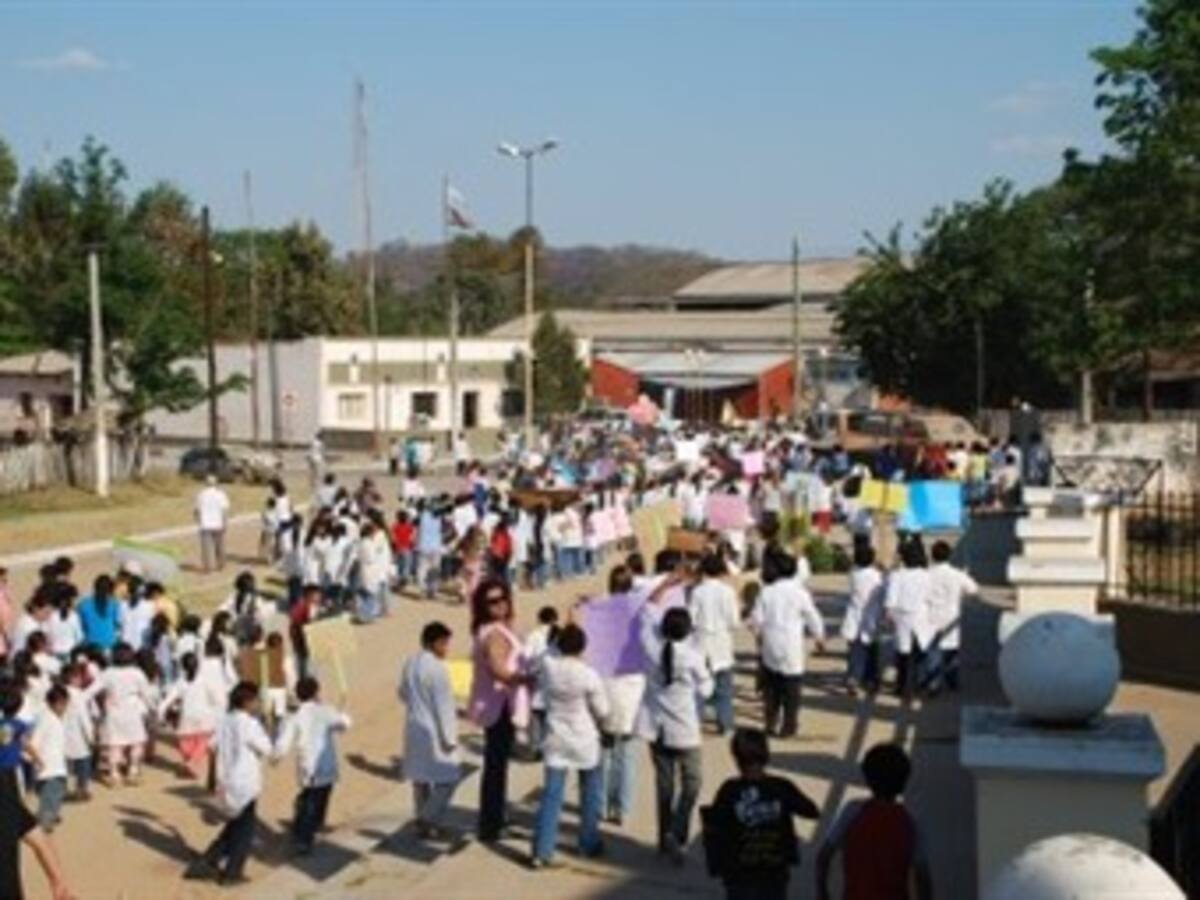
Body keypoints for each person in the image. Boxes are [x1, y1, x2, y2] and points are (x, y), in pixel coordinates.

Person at [637, 577, 713, 866]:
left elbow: (648, 606)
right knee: (692, 783)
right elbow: (707, 689)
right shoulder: (692, 658)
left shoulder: (650, 644)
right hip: (685, 730)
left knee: (664, 787)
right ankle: (678, 832)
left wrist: (666, 584)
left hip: (656, 728)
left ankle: (663, 838)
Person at [705, 728, 819, 900]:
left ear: (736, 758)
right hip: (774, 872)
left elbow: (714, 827)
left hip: (739, 874)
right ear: (766, 755)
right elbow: (812, 811)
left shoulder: (728, 790)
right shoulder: (782, 787)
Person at [529, 624, 609, 868]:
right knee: (589, 794)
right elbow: (603, 710)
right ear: (583, 647)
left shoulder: (550, 668)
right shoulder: (588, 674)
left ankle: (542, 851)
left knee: (551, 796)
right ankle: (587, 842)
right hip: (584, 739)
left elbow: (544, 654)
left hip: (556, 738)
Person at [815, 743, 932, 900]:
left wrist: (822, 892)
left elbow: (824, 856)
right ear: (904, 782)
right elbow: (922, 875)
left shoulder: (852, 811)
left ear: (868, 779)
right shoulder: (911, 821)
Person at [186, 681, 272, 886]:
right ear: (247, 702)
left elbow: (212, 745)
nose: (259, 703)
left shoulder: (225, 720)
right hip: (245, 783)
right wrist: (266, 728)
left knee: (235, 825)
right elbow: (267, 749)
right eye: (257, 700)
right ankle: (232, 872)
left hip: (227, 781)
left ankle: (208, 860)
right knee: (244, 830)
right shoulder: (250, 724)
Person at [467, 578, 529, 843]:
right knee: (496, 765)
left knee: (497, 764)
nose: (500, 604)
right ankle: (491, 823)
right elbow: (498, 670)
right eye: (493, 601)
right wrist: (526, 678)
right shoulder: (493, 634)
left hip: (497, 702)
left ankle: (494, 817)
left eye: (503, 598)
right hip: (499, 704)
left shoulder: (495, 629)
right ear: (483, 605)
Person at [749, 552, 825, 738]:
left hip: (771, 644)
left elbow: (755, 620)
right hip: (792, 645)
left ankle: (770, 722)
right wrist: (819, 636)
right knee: (792, 689)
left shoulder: (767, 592)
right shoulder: (800, 593)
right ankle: (789, 726)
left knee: (772, 688)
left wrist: (759, 636)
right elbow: (812, 616)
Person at [273, 676, 351, 855]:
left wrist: (275, 757)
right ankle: (305, 838)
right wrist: (342, 712)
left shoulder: (294, 716)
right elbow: (345, 725)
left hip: (307, 765)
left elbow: (284, 742)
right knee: (317, 802)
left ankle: (302, 830)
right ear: (316, 692)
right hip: (325, 764)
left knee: (310, 798)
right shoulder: (325, 711)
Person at [400, 622, 463, 840]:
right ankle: (426, 817)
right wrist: (450, 738)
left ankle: (426, 826)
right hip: (434, 731)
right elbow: (443, 707)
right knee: (449, 778)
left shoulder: (410, 662)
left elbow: (402, 693)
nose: (447, 648)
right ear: (433, 643)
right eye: (444, 643)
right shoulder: (437, 669)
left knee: (420, 780)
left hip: (414, 726)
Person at [687, 552, 740, 735]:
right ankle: (725, 724)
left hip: (701, 643)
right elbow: (734, 621)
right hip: (722, 644)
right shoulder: (728, 592)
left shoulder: (697, 592)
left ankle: (694, 722)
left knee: (700, 686)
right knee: (724, 689)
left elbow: (691, 619)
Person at [158, 652, 224, 780]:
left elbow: (168, 699)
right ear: (198, 666)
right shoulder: (205, 680)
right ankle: (192, 763)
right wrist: (218, 711)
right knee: (202, 743)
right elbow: (217, 699)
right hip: (205, 717)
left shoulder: (180, 682)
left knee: (185, 742)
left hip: (187, 716)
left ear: (182, 667)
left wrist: (161, 711)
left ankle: (190, 763)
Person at [923, 540, 977, 694]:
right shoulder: (956, 574)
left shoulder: (926, 574)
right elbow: (974, 590)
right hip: (951, 616)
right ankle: (952, 682)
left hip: (931, 615)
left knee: (933, 651)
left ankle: (933, 683)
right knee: (952, 651)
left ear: (932, 556)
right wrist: (965, 577)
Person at [884, 540, 933, 698]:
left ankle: (903, 686)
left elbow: (891, 597)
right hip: (920, 615)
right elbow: (930, 597)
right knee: (921, 651)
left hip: (902, 615)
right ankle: (921, 684)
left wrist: (888, 613)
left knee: (903, 653)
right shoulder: (926, 575)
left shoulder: (897, 575)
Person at [842, 545, 884, 695]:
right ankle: (872, 681)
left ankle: (853, 678)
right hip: (871, 616)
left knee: (855, 650)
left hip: (854, 616)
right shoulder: (877, 576)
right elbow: (881, 594)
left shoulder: (854, 574)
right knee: (872, 652)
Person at [30, 686, 69, 831]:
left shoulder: (53, 719)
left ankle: (48, 818)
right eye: (63, 704)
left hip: (54, 767)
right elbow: (33, 743)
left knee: (53, 796)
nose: (64, 707)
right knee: (51, 797)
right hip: (50, 768)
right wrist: (37, 760)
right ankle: (43, 824)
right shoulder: (46, 720)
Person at [195, 475, 231, 573]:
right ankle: (221, 564)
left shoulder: (201, 495)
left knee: (206, 547)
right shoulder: (221, 494)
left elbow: (197, 510)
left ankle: (207, 566)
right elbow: (225, 510)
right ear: (216, 483)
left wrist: (198, 521)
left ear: (206, 483)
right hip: (218, 523)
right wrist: (225, 522)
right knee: (220, 545)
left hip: (205, 524)